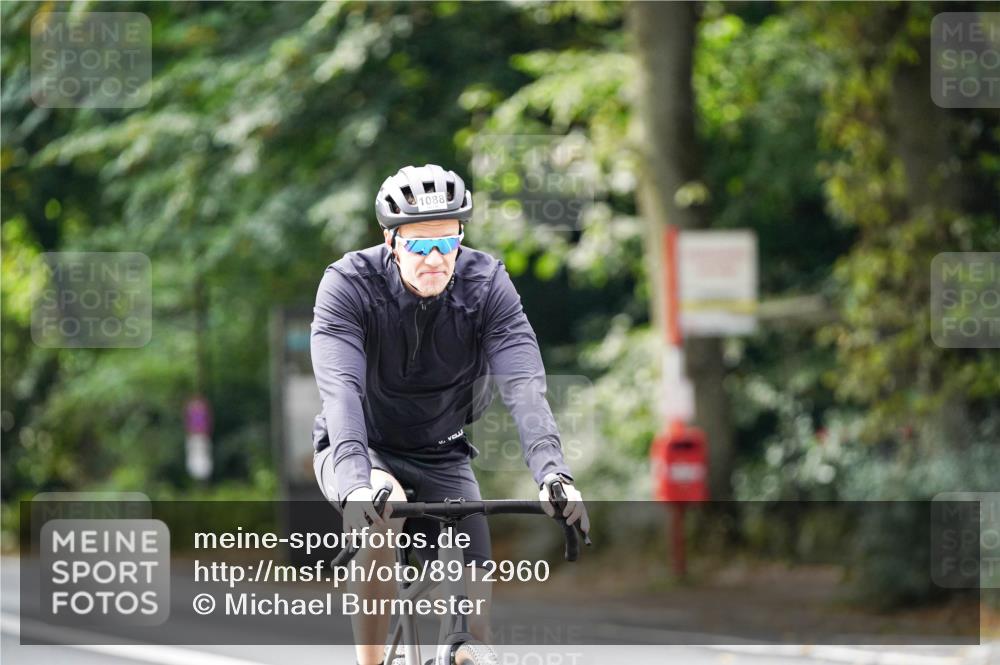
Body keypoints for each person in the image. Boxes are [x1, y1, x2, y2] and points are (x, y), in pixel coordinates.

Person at [311, 164, 588, 665]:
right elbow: (342, 393)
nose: (435, 258)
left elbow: (524, 387)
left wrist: (553, 473)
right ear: (391, 241)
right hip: (362, 449)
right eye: (419, 245)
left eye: (448, 241)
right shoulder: (348, 286)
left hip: (443, 452)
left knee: (473, 638)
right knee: (382, 510)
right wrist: (354, 484)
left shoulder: (487, 287)